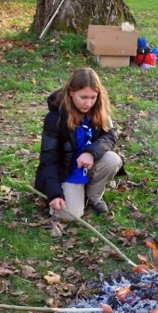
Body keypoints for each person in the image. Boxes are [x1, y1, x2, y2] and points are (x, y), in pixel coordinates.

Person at [34, 68, 123, 220]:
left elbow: (110, 136)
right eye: (83, 97)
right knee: (71, 216)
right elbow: (48, 158)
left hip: (88, 165)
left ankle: (93, 197)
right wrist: (54, 193)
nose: (89, 103)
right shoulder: (55, 118)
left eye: (93, 97)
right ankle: (53, 186)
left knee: (112, 159)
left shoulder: (98, 110)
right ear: (71, 92)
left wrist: (91, 152)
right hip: (66, 171)